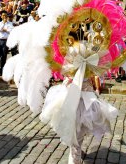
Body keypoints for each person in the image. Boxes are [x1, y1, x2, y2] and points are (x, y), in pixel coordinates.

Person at [40, 34, 118, 164]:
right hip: (77, 97)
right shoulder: (89, 58)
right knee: (76, 130)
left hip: (81, 98)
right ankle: (75, 154)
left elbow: (67, 72)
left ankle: (75, 153)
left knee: (76, 130)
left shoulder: (80, 57)